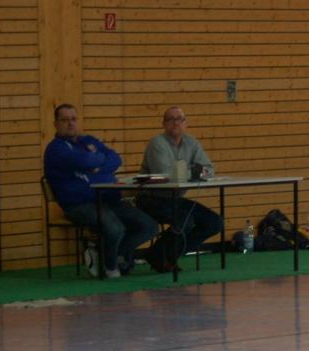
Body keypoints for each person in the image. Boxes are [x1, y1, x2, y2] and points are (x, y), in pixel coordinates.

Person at [43, 103, 158, 278]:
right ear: (55, 124)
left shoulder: (88, 141)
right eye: (64, 120)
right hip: (79, 204)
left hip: (109, 199)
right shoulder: (55, 149)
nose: (70, 123)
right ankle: (110, 268)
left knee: (149, 226)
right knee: (115, 228)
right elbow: (84, 161)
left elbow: (116, 159)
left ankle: (107, 254)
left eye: (73, 119)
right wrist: (97, 160)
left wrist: (96, 164)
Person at [136, 106, 224, 272]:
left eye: (179, 119)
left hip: (175, 199)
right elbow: (167, 175)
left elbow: (209, 169)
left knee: (215, 222)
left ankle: (165, 255)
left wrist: (186, 172)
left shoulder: (192, 143)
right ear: (163, 124)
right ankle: (162, 256)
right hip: (151, 198)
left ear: (185, 123)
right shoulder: (157, 143)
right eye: (171, 119)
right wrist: (193, 172)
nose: (175, 123)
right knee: (185, 221)